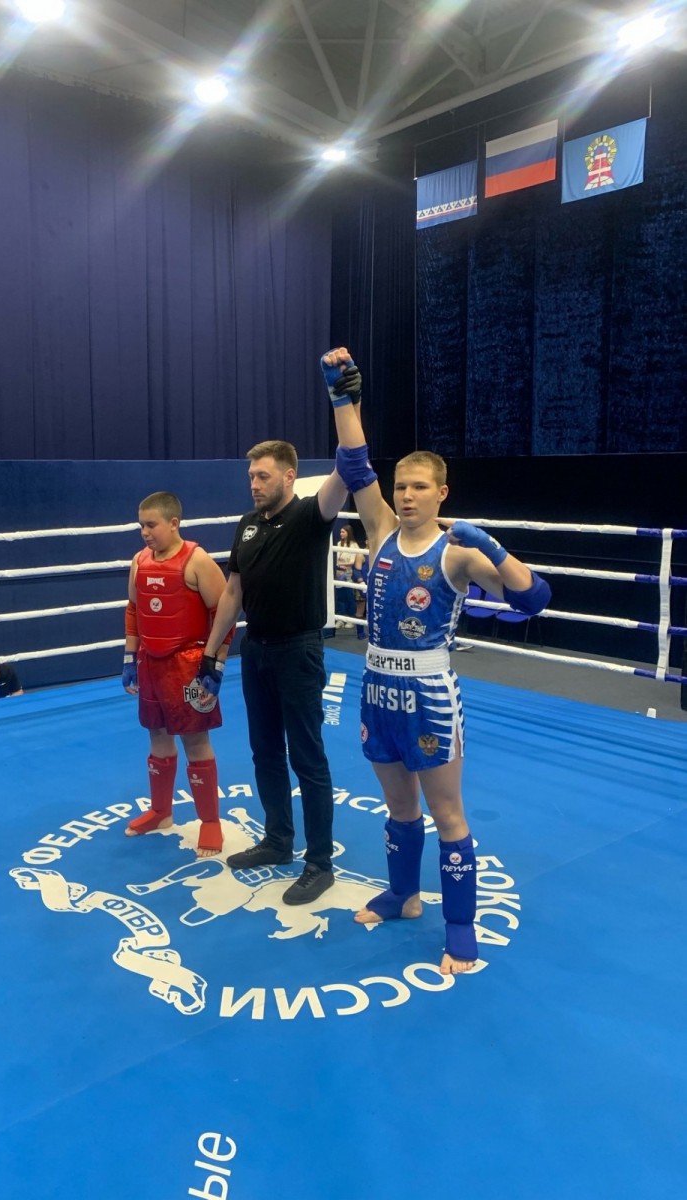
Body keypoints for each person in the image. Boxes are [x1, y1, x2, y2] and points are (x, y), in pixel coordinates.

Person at [321, 346, 551, 973]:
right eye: (401, 486)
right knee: (399, 809)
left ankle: (460, 927)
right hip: (376, 688)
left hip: (429, 698)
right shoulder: (379, 532)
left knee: (447, 812)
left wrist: (493, 548)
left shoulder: (458, 552)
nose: (407, 495)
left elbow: (534, 599)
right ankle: (403, 895)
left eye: (419, 487)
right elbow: (354, 462)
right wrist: (342, 398)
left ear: (441, 491)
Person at [201, 441, 349, 905]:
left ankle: (320, 863)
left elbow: (347, 470)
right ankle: (278, 840)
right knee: (264, 752)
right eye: (251, 477)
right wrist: (211, 653)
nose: (254, 484)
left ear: (288, 477)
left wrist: (345, 407)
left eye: (263, 476)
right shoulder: (247, 525)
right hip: (257, 651)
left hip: (298, 651)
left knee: (307, 758)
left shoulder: (310, 516)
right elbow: (233, 593)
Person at [122, 491, 232, 857]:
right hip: (150, 662)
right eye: (141, 526)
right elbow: (134, 610)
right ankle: (160, 811)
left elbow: (224, 615)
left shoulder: (197, 560)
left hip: (188, 664)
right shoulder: (139, 561)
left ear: (173, 523)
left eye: (151, 525)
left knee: (195, 740)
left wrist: (215, 664)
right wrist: (129, 657)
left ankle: (210, 822)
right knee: (156, 734)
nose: (145, 532)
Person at [334, 523, 363, 627]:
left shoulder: (354, 545)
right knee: (340, 597)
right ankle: (341, 619)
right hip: (339, 574)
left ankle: (351, 619)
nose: (340, 533)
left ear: (348, 533)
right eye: (340, 532)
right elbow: (337, 560)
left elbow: (352, 561)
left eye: (343, 532)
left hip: (349, 574)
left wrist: (342, 564)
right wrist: (340, 564)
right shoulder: (339, 543)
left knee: (349, 597)